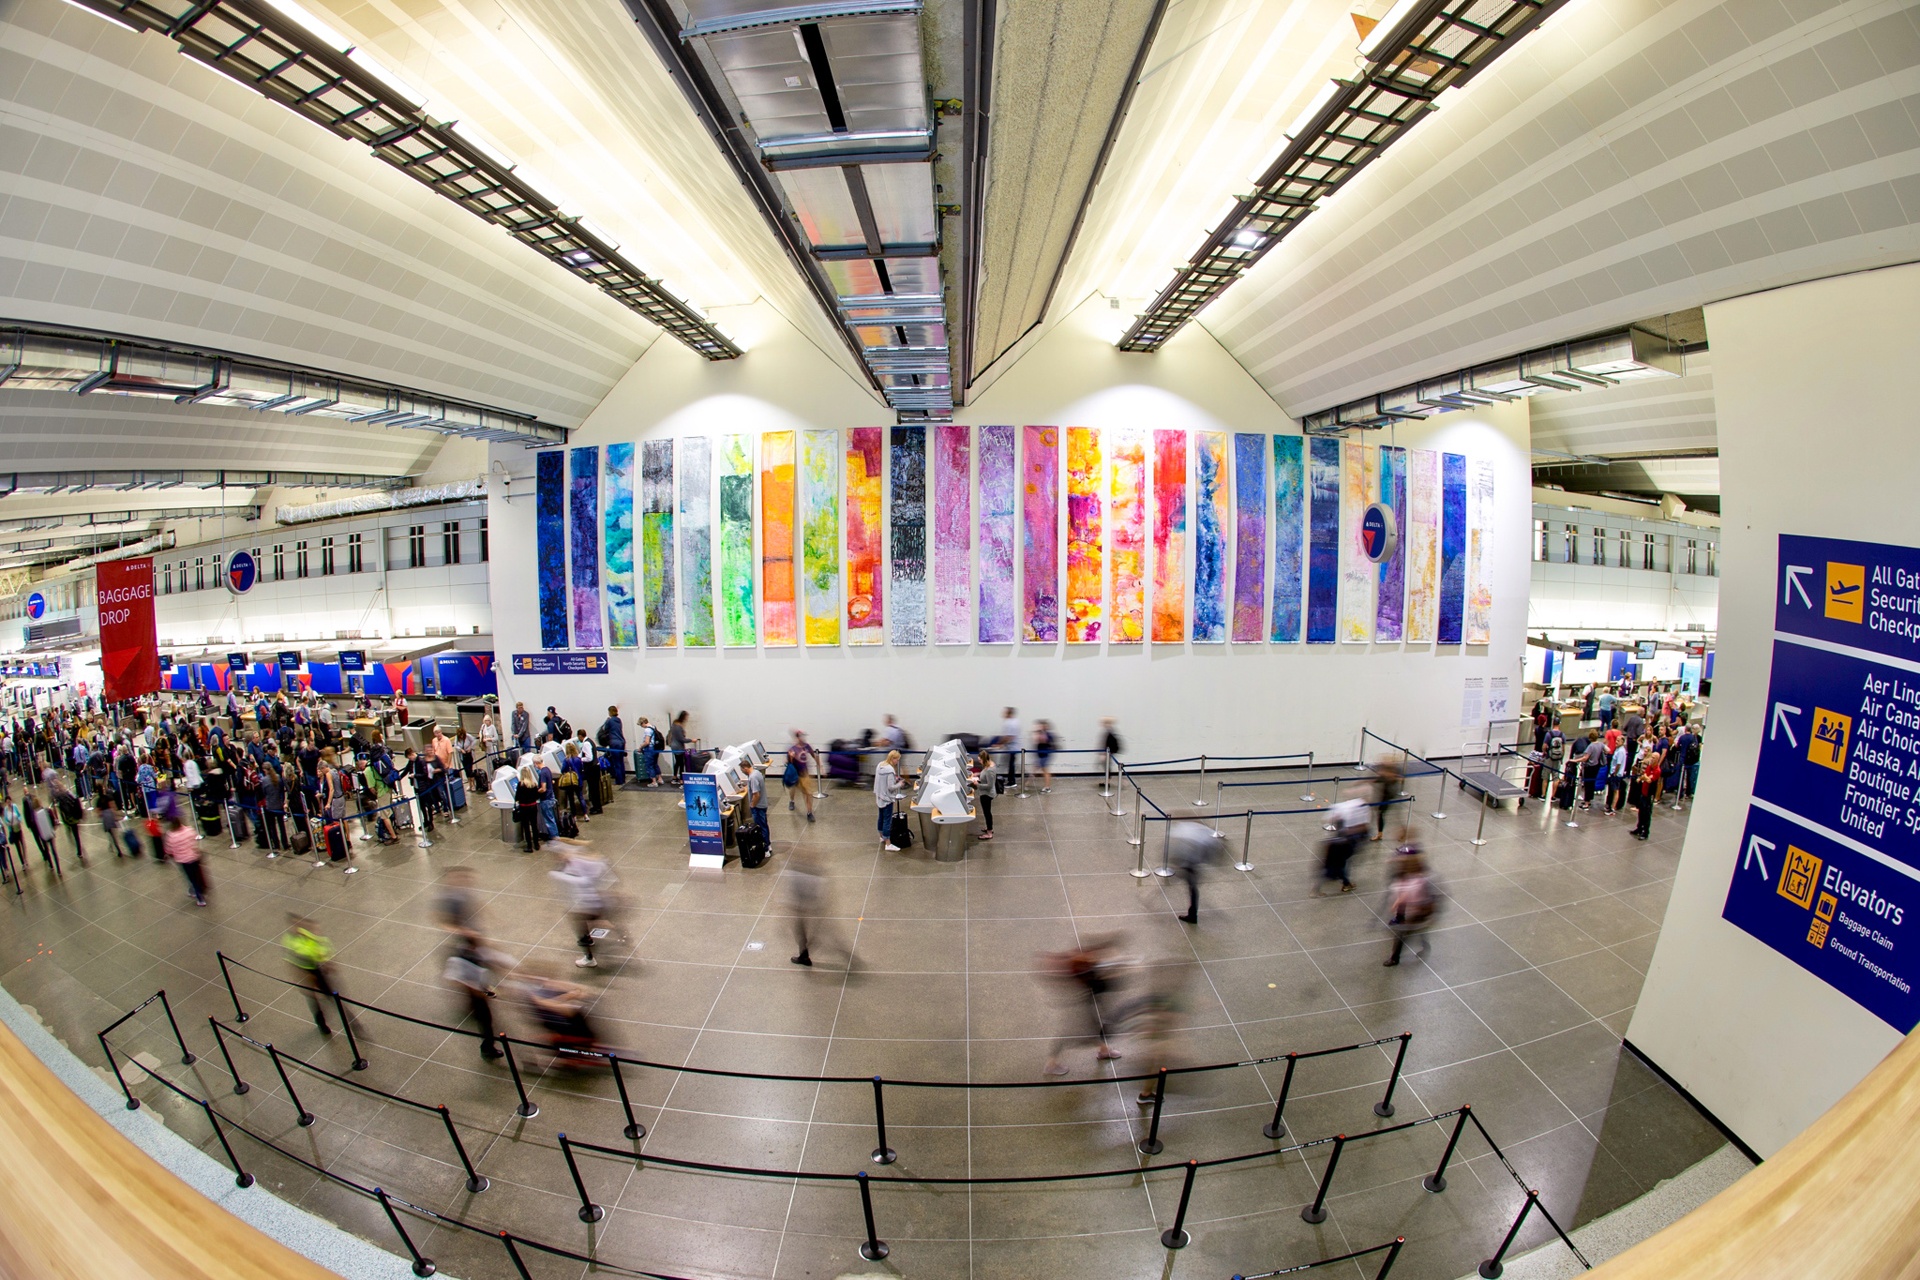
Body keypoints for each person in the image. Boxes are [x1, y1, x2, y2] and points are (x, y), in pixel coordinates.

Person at [1042, 937, 1124, 1075]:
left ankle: (1104, 1050)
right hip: (1078, 1005)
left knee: (1093, 1027)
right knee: (1072, 1033)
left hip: (1086, 1002)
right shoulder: (1078, 966)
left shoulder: (1082, 961)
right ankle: (1051, 1064)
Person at [444, 931, 509, 1061]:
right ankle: (487, 1049)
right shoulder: (465, 958)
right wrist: (483, 993)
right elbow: (463, 981)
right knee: (486, 1022)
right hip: (477, 996)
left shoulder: (466, 953)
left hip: (478, 990)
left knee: (485, 1020)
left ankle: (487, 1044)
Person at [550, 843, 611, 969]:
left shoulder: (571, 866)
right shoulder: (575, 862)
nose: (559, 857)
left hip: (586, 905)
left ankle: (589, 958)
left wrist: (561, 877)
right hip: (591, 901)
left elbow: (585, 880)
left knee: (579, 927)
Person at [282, 914, 339, 1033]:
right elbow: (291, 961)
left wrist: (325, 958)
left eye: (298, 924)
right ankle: (321, 1024)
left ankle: (344, 1014)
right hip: (304, 974)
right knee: (313, 1001)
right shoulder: (289, 941)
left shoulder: (305, 934)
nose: (298, 927)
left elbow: (320, 943)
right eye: (295, 924)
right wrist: (300, 978)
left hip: (316, 969)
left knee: (330, 994)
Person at [1383, 853, 1436, 967]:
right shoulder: (1420, 878)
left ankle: (1394, 959)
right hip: (1420, 912)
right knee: (1418, 930)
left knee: (1401, 934)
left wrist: (1398, 902)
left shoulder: (1416, 881)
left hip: (1419, 912)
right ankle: (1425, 946)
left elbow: (1408, 893)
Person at [787, 846, 836, 967]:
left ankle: (847, 956)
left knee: (824, 937)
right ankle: (804, 956)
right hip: (811, 909)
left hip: (806, 910)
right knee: (803, 934)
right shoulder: (812, 870)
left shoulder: (800, 873)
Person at [1168, 819, 1225, 923]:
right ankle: (1192, 913)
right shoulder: (1201, 831)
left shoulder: (1186, 830)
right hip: (1193, 861)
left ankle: (1192, 915)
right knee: (1192, 886)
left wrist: (1182, 862)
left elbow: (1184, 850)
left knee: (1192, 887)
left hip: (1191, 862)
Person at [1320, 793, 1367, 893]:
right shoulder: (1359, 810)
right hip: (1345, 844)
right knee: (1341, 864)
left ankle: (1340, 879)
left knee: (1340, 863)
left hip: (1341, 842)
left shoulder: (1343, 811)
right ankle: (1346, 883)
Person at [164, 812, 206, 906]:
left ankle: (199, 897)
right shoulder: (189, 830)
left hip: (183, 860)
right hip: (194, 857)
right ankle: (195, 890)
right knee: (196, 875)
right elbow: (194, 841)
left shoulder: (170, 835)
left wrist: (168, 854)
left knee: (191, 878)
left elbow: (169, 849)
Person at [875, 749, 904, 851]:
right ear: (893, 758)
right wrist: (899, 784)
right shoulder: (890, 770)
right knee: (887, 820)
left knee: (881, 817)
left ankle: (881, 836)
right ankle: (888, 844)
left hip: (879, 797)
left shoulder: (880, 765)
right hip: (887, 798)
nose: (897, 762)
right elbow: (891, 787)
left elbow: (881, 781)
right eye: (897, 759)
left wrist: (894, 778)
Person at [785, 731, 817, 822]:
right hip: (796, 774)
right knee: (793, 789)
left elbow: (813, 755)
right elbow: (789, 763)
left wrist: (819, 764)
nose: (802, 738)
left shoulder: (806, 746)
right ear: (797, 737)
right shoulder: (792, 749)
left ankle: (809, 812)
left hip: (804, 773)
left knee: (807, 793)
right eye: (801, 736)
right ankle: (792, 800)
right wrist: (791, 757)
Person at [1369, 757, 1403, 840]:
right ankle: (1380, 833)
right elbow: (1378, 780)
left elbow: (1397, 780)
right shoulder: (1387, 773)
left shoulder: (1393, 773)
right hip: (1385, 796)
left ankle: (1401, 834)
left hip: (1388, 797)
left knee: (1390, 816)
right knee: (1382, 814)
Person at [1630, 753, 1660, 840]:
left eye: (1654, 758)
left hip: (1649, 795)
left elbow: (1649, 780)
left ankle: (1645, 832)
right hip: (1643, 793)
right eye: (1652, 757)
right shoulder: (1649, 767)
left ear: (1657, 759)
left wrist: (1645, 777)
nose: (1652, 759)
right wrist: (1644, 777)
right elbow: (1644, 776)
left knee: (1647, 814)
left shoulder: (1657, 770)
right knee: (1641, 812)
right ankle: (1639, 828)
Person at [514, 766, 542, 853]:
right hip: (533, 807)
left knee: (526, 827)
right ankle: (536, 844)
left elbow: (517, 797)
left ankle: (529, 846)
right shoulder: (533, 784)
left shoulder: (520, 785)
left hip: (524, 808)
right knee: (534, 825)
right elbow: (537, 796)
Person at [598, 705, 626, 785]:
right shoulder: (619, 720)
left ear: (610, 712)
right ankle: (623, 778)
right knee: (621, 761)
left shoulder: (609, 721)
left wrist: (606, 721)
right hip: (622, 741)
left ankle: (619, 781)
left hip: (614, 743)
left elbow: (605, 730)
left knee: (616, 763)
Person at [973, 753, 996, 841]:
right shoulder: (989, 765)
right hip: (986, 792)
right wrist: (978, 774)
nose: (979, 762)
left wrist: (977, 784)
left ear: (984, 759)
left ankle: (989, 833)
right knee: (987, 812)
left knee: (987, 813)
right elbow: (985, 774)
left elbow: (989, 785)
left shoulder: (990, 770)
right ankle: (989, 828)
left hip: (987, 794)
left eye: (980, 760)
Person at [1032, 719, 1057, 793]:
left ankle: (1047, 787)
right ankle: (1027, 783)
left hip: (1045, 755)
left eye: (1042, 726)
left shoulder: (1047, 734)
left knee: (1045, 771)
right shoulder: (1042, 733)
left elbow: (1043, 740)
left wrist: (1038, 733)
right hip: (1041, 754)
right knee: (1040, 769)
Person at [745, 762, 768, 843]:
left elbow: (756, 794)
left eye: (742, 770)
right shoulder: (757, 772)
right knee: (764, 825)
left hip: (758, 806)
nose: (742, 772)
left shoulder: (753, 777)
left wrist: (752, 805)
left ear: (745, 768)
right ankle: (767, 845)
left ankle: (765, 847)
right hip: (763, 804)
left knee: (760, 827)